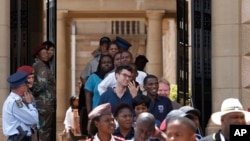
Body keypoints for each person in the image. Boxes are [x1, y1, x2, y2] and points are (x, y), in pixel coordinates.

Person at [2, 72, 39, 141]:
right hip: (19, 138)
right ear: (21, 87)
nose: (27, 88)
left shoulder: (15, 100)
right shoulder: (16, 102)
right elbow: (33, 119)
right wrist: (30, 104)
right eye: (26, 86)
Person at [32, 45, 56, 141]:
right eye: (43, 53)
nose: (46, 55)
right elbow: (42, 83)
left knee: (40, 129)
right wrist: (33, 91)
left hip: (41, 103)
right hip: (45, 103)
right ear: (38, 55)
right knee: (45, 130)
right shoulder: (41, 66)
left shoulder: (36, 65)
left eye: (47, 53)